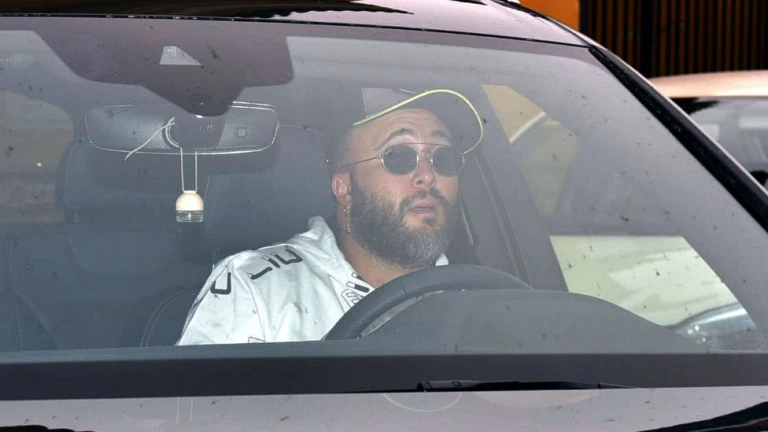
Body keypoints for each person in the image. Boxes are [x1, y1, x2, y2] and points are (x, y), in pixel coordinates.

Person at [176, 89, 484, 344]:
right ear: (345, 188)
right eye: (399, 156)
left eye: (443, 158)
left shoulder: (483, 299)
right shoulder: (257, 290)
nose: (428, 175)